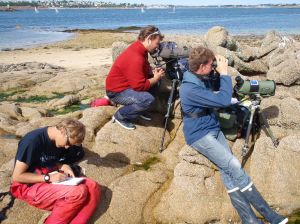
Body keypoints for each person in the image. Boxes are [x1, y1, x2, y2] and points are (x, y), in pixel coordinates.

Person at [179, 46, 288, 224]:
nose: (214, 67)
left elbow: (217, 93)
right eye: (211, 65)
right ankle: (270, 216)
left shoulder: (200, 77)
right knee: (234, 166)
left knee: (227, 170)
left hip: (212, 127)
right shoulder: (189, 88)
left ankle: (249, 220)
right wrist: (223, 73)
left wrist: (218, 76)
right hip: (199, 135)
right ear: (202, 67)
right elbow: (221, 100)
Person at [11, 119, 101, 224]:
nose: (67, 147)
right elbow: (17, 177)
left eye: (70, 145)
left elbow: (46, 160)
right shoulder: (32, 142)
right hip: (27, 186)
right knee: (78, 192)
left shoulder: (60, 141)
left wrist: (63, 165)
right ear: (62, 131)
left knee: (93, 186)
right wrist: (47, 178)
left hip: (48, 174)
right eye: (67, 143)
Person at [105, 25, 165, 130]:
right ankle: (120, 115)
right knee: (147, 100)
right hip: (116, 92)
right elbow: (140, 86)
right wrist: (155, 78)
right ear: (149, 39)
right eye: (157, 43)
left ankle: (137, 111)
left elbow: (142, 70)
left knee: (157, 83)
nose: (157, 46)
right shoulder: (136, 57)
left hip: (127, 85)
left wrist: (153, 73)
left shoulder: (140, 49)